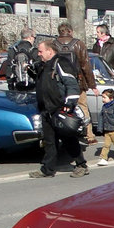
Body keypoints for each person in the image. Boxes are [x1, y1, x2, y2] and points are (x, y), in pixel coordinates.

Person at [29, 40, 88, 179]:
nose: (39, 54)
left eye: (41, 51)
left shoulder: (61, 63)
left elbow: (71, 84)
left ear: (50, 51)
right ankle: (47, 170)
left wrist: (70, 103)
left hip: (60, 108)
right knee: (49, 141)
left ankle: (81, 165)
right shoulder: (44, 66)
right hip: (46, 109)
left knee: (69, 139)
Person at [53, 22, 99, 144]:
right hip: (77, 82)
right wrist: (92, 85)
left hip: (59, 83)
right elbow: (85, 66)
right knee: (83, 107)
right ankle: (89, 135)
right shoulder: (78, 44)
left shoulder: (53, 44)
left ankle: (61, 133)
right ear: (71, 31)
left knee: (60, 108)